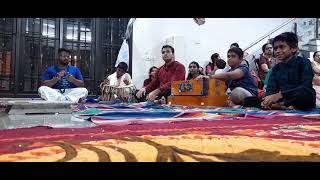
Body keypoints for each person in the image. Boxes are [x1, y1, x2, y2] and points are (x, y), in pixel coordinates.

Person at [262, 32, 316, 110]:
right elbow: (271, 89)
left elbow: (306, 86)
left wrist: (280, 95)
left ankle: (281, 106)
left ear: (293, 48)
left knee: (306, 93)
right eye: (276, 48)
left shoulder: (304, 62)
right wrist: (269, 97)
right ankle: (282, 106)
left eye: (281, 47)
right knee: (249, 100)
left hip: (299, 97)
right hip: (283, 100)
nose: (277, 51)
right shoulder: (276, 69)